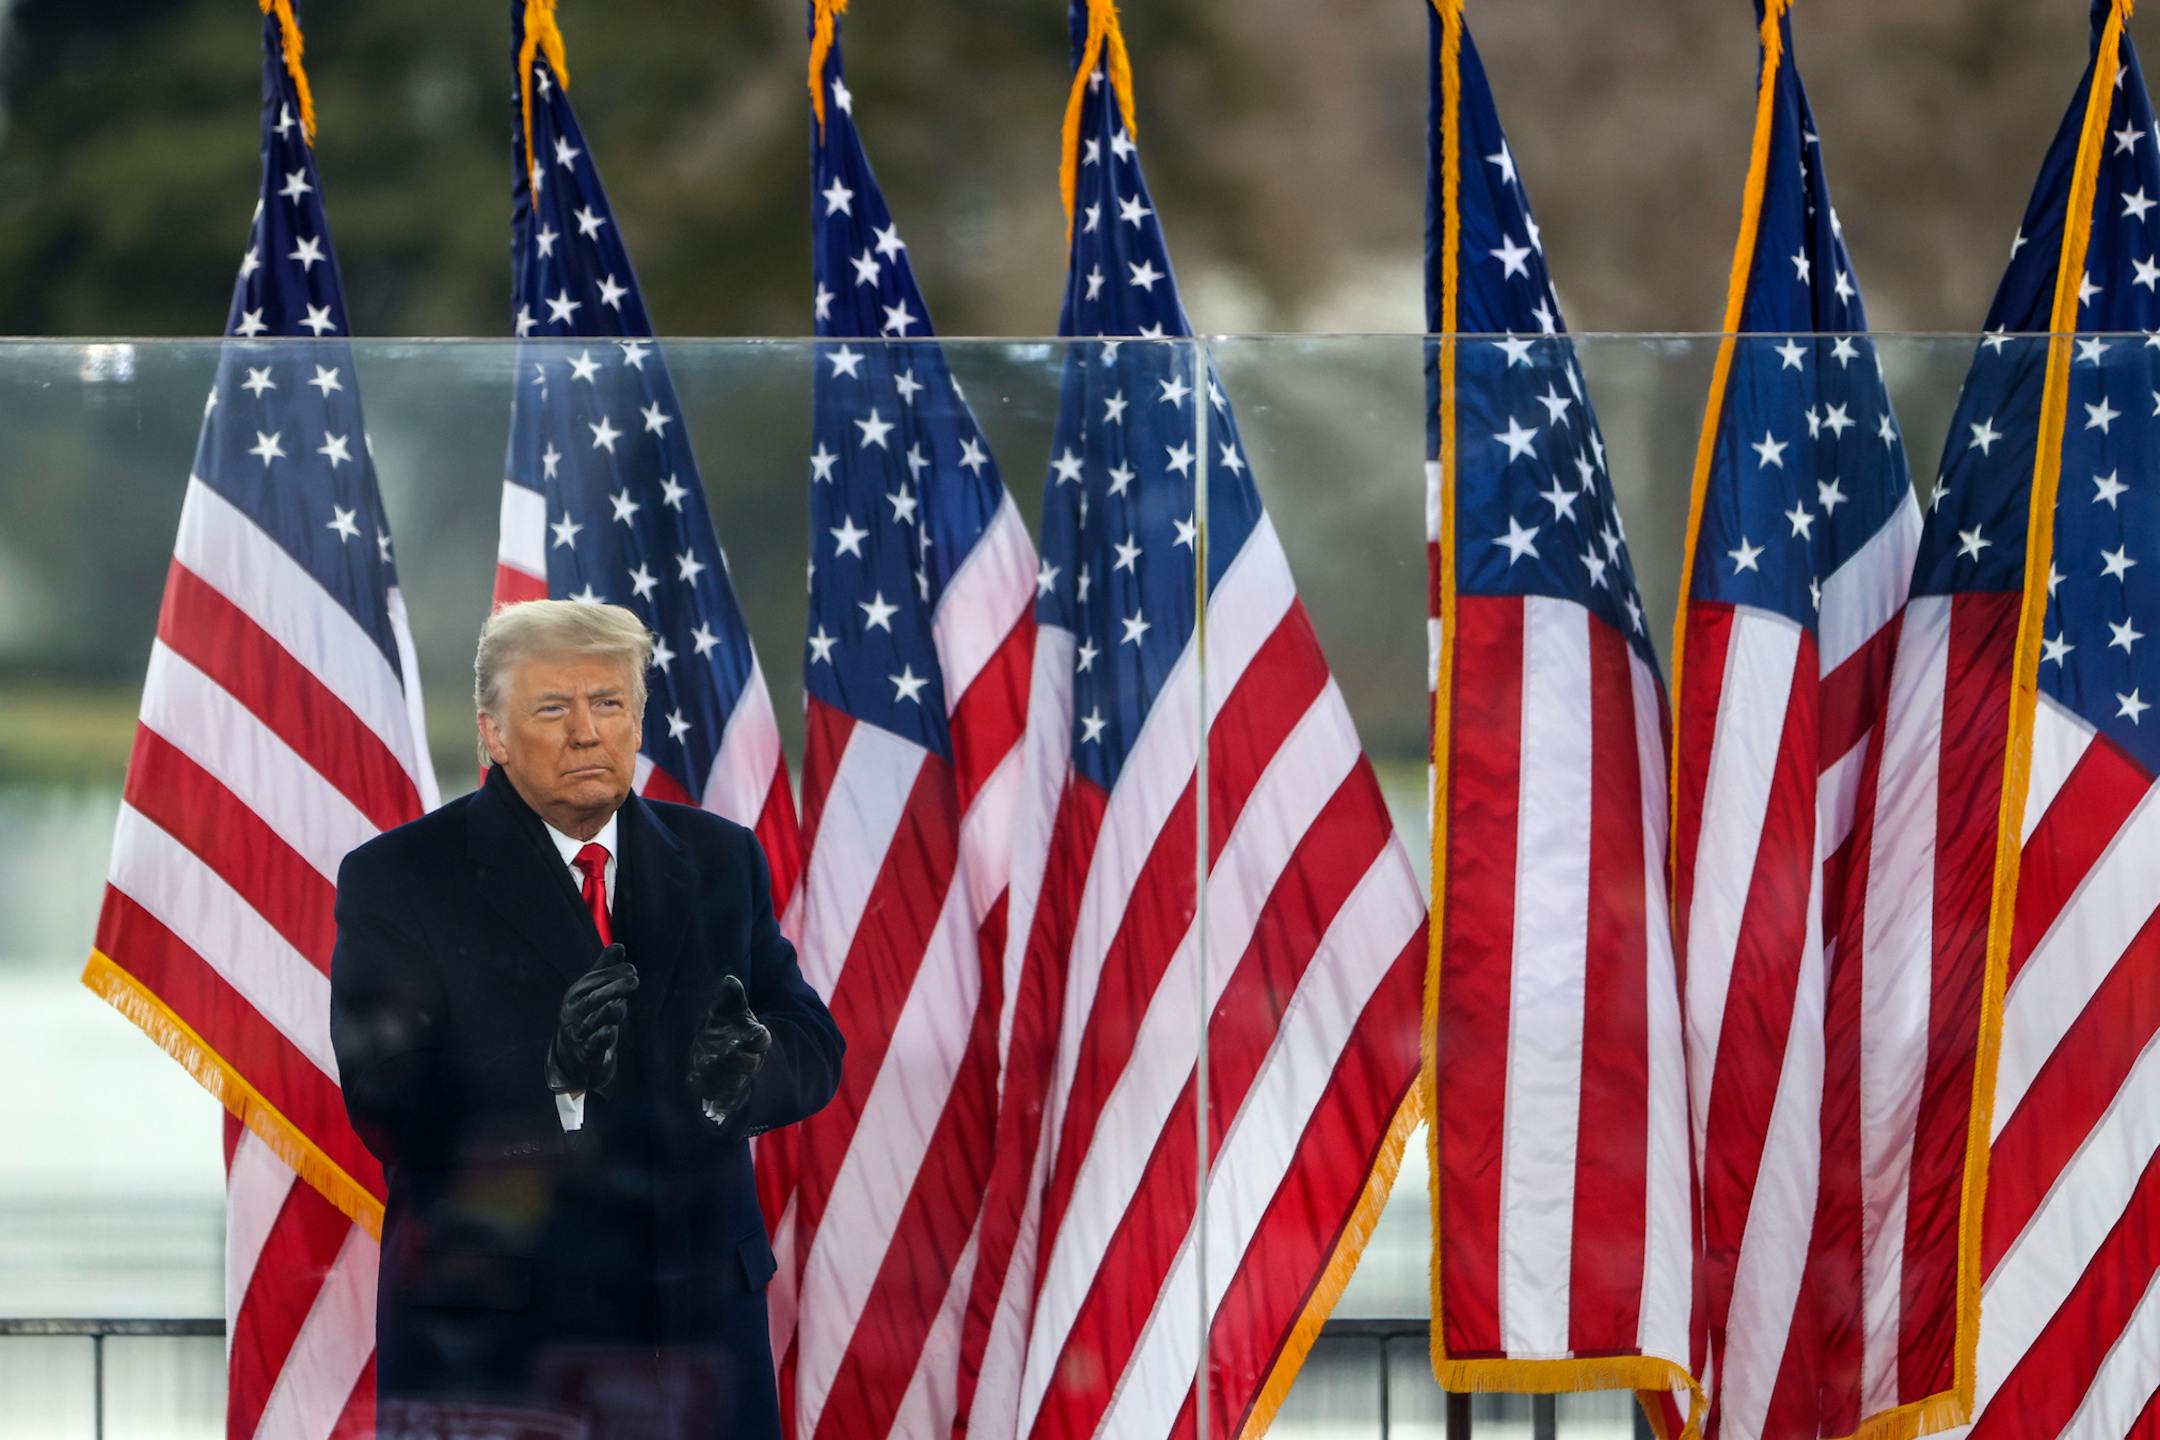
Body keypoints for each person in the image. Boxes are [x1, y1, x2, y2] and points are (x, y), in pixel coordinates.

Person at [329, 600, 842, 1440]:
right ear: (494, 733)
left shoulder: (719, 859)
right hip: (499, 1356)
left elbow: (813, 1042)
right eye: (552, 708)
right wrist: (554, 1077)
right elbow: (387, 1104)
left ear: (638, 722)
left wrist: (746, 1070)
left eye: (608, 704)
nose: (585, 733)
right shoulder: (400, 879)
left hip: (700, 1348)